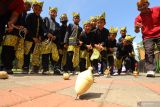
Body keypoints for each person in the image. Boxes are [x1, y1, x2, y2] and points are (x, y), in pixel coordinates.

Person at [134, 0, 160, 77]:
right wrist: (136, 27)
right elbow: (136, 31)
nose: (142, 7)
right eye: (140, 7)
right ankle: (150, 70)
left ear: (147, 4)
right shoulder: (138, 18)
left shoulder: (157, 9)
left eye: (143, 5)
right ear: (138, 9)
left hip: (159, 33)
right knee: (149, 52)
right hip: (147, 36)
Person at [23, 1, 44, 74]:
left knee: (36, 54)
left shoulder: (41, 19)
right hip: (29, 38)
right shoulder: (29, 16)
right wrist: (33, 37)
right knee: (27, 53)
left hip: (37, 40)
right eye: (36, 9)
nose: (37, 10)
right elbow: (27, 27)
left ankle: (35, 69)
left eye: (39, 9)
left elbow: (42, 29)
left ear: (41, 10)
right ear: (33, 8)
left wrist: (40, 37)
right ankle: (25, 68)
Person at [42, 7, 60, 75]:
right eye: (52, 12)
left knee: (54, 56)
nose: (53, 13)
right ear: (49, 13)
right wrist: (47, 33)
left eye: (54, 12)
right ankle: (45, 69)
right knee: (45, 55)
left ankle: (56, 69)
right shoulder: (45, 19)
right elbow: (42, 27)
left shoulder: (58, 24)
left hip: (53, 42)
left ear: (56, 14)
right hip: (46, 40)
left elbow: (58, 34)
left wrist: (55, 36)